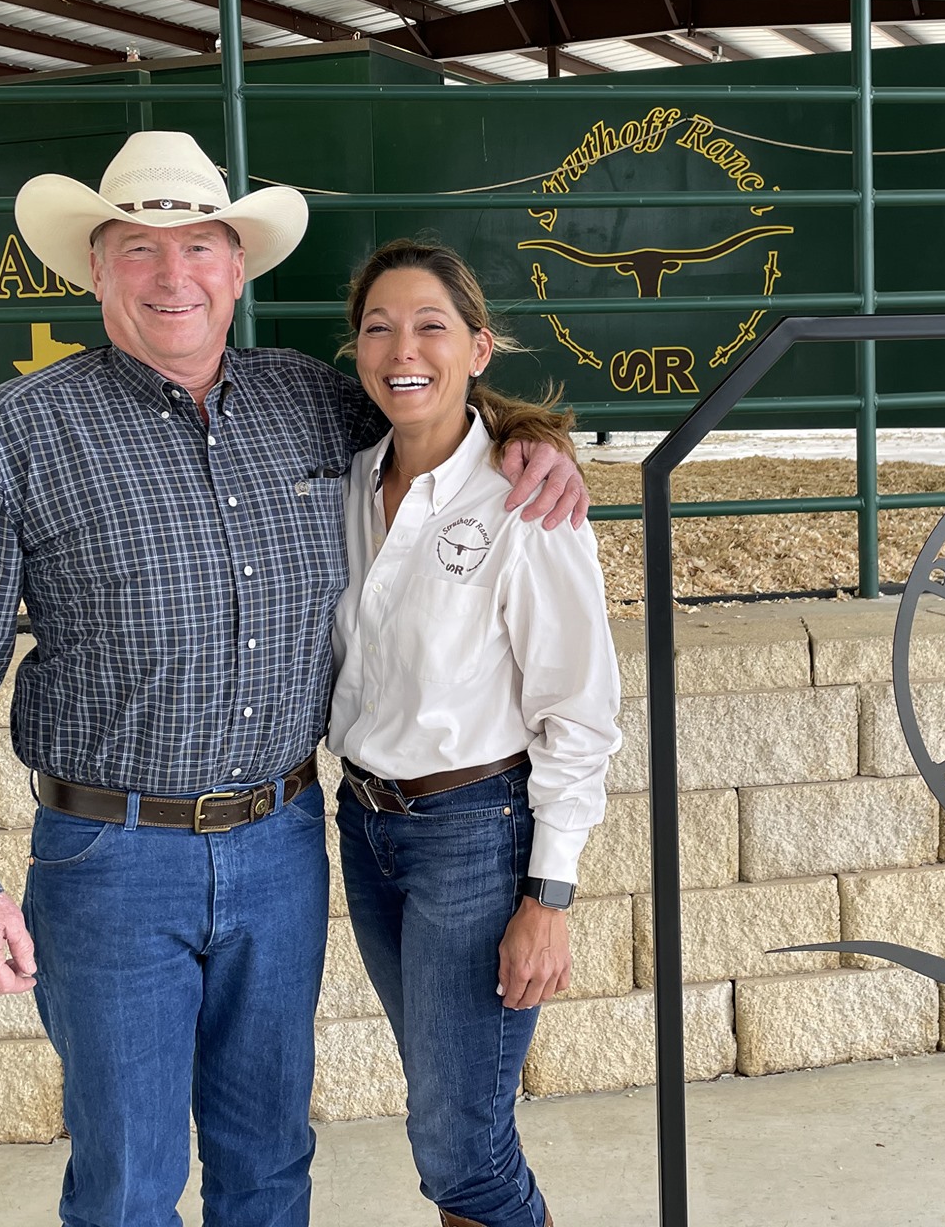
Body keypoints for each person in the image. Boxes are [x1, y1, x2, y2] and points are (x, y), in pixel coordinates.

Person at [0, 132, 588, 1227]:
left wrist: (533, 444)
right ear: (95, 269)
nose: (174, 276)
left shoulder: (312, 403)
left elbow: (434, 418)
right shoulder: (15, 436)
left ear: (237, 265)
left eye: (200, 246)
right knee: (125, 1180)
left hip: (280, 845)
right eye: (138, 249)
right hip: (109, 859)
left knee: (268, 1155)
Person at [329, 240, 621, 1227]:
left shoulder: (523, 501)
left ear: (478, 348)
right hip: (364, 828)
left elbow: (578, 711)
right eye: (377, 326)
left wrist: (548, 893)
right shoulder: (348, 479)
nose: (401, 348)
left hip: (472, 835)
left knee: (462, 1145)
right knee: (451, 1116)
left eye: (429, 326)